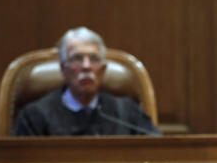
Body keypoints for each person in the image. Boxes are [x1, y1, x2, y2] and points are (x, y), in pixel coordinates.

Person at [12, 27, 160, 136]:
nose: (86, 66)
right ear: (63, 68)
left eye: (94, 59)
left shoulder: (127, 112)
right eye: (77, 58)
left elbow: (156, 153)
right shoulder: (34, 116)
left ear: (103, 69)